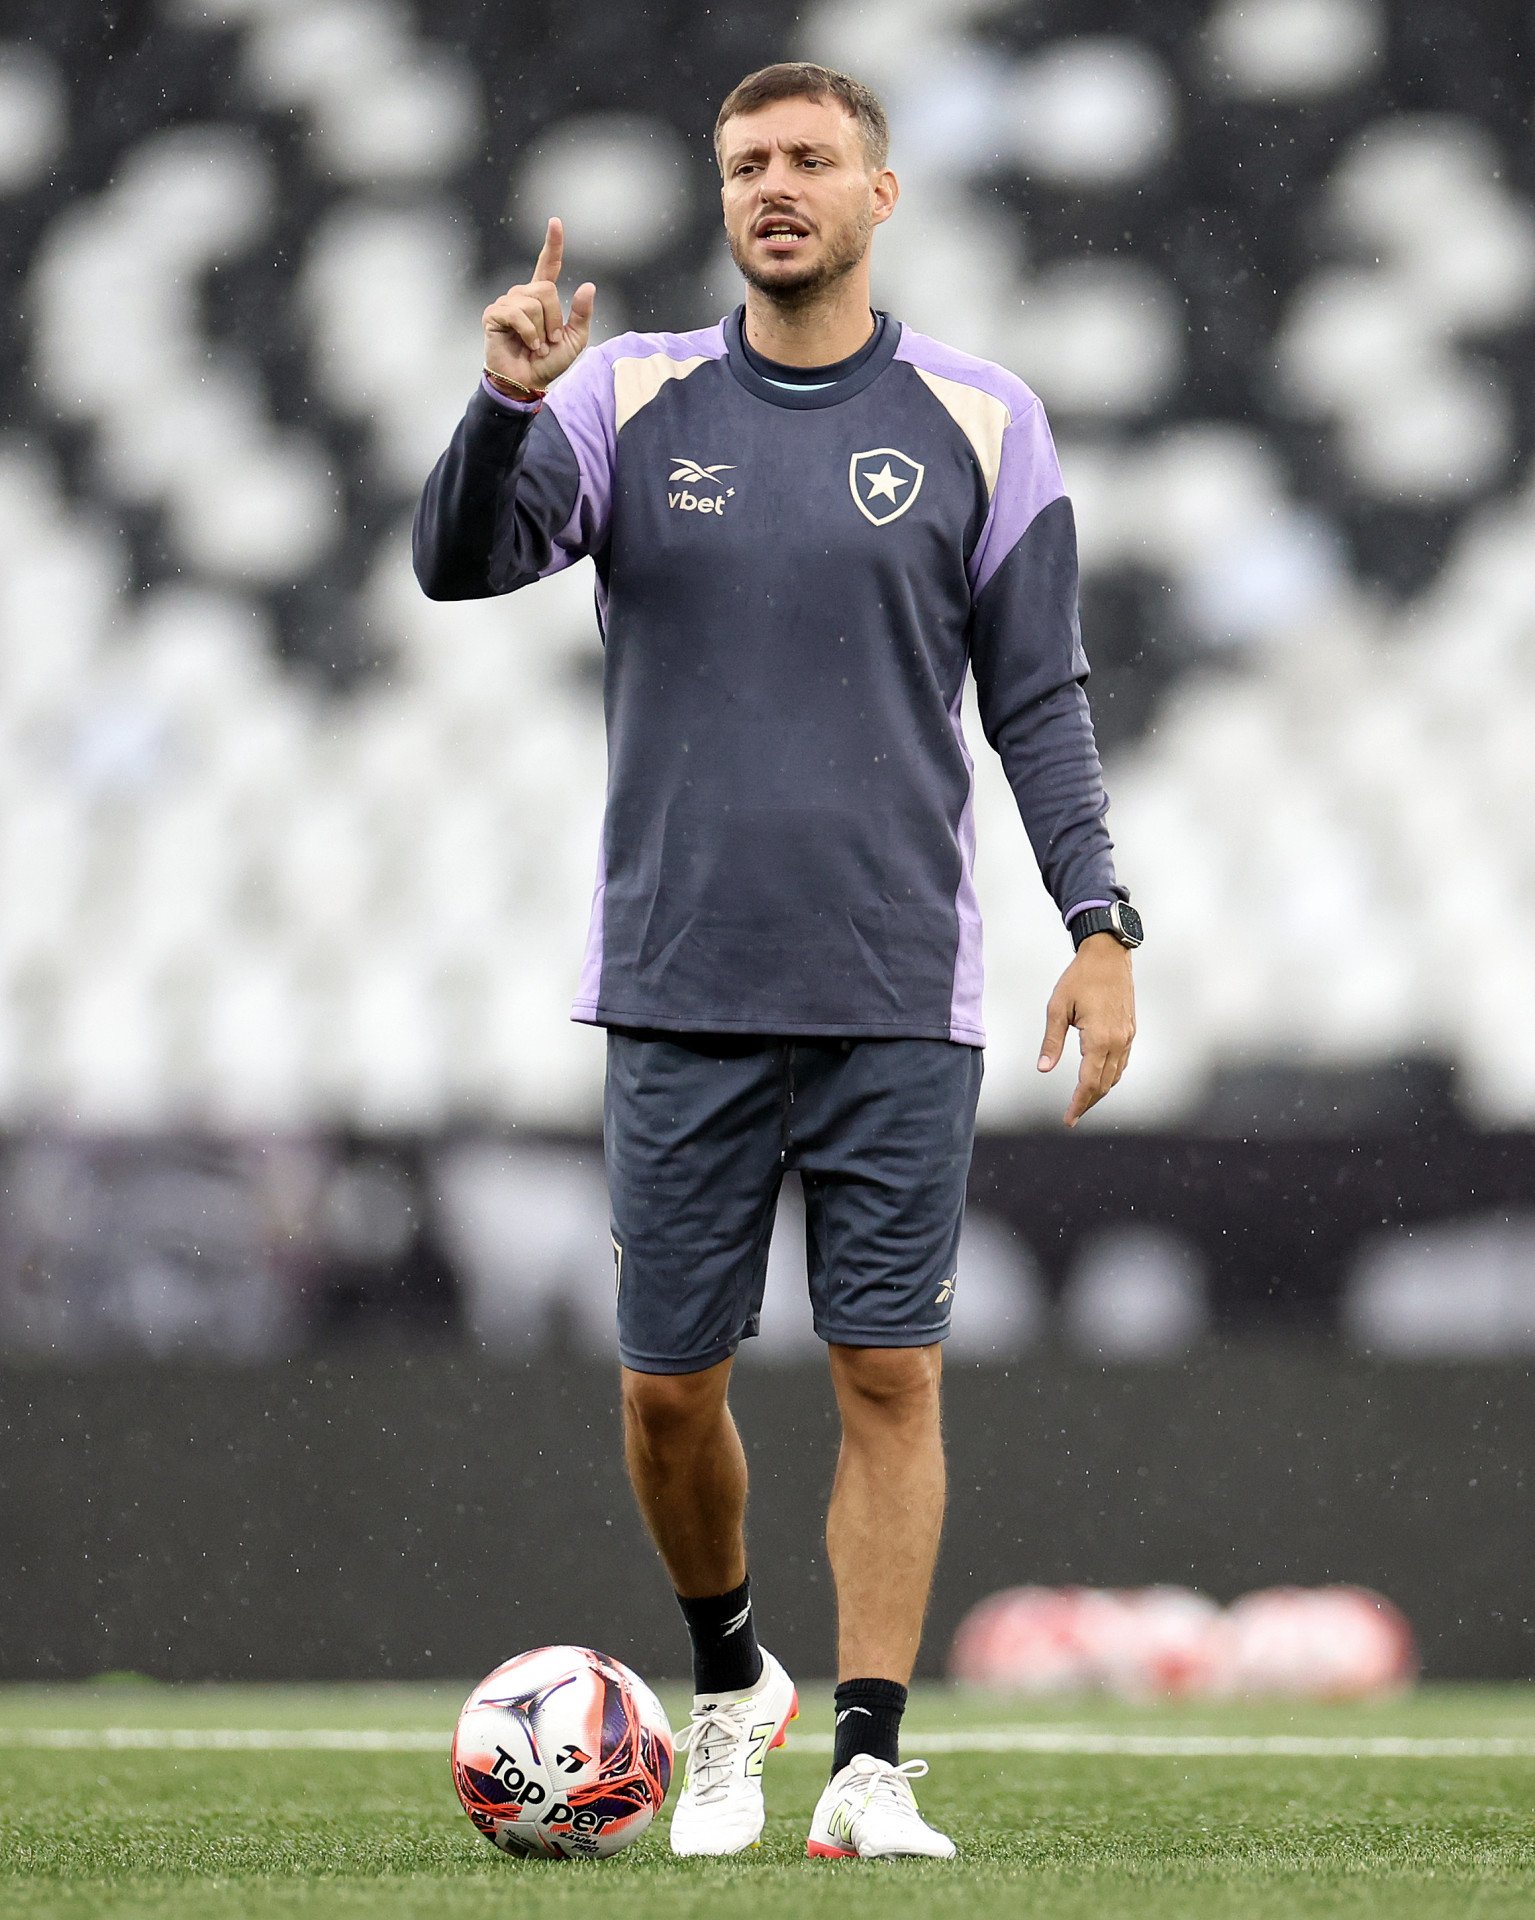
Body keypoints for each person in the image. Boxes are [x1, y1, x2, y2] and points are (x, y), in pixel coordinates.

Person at [414, 60, 1139, 1863]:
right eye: (748, 163)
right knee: (671, 1392)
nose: (776, 185)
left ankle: (871, 1759)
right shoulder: (620, 394)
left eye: (813, 159)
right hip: (678, 985)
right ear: (722, 194)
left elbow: (1038, 701)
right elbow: (454, 564)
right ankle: (732, 1678)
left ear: (883, 196)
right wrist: (502, 408)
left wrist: (1102, 925)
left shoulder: (984, 419)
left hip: (899, 985)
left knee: (889, 1376)